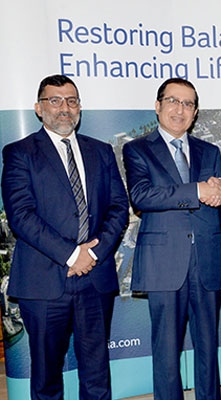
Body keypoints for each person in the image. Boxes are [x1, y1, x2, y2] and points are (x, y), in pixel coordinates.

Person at [1, 74, 129, 399]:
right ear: (38, 108)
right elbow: (21, 216)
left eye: (71, 101)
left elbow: (118, 208)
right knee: (46, 380)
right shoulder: (19, 152)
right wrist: (73, 255)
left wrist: (93, 254)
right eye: (54, 100)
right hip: (43, 283)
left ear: (80, 107)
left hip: (95, 279)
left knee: (97, 376)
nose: (64, 108)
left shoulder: (101, 151)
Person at [122, 78, 221, 400]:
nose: (180, 109)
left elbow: (220, 209)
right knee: (166, 354)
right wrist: (198, 190)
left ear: (195, 112)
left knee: (209, 352)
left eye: (188, 104)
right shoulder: (137, 149)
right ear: (158, 106)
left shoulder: (210, 151)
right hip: (164, 265)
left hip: (207, 262)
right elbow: (142, 196)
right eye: (173, 101)